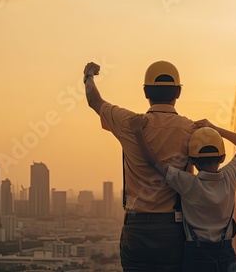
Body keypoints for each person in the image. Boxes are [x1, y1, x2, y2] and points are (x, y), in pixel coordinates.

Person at [83, 61, 195, 271]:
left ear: (146, 92)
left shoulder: (129, 123)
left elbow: (94, 100)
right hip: (172, 228)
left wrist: (89, 75)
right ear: (178, 92)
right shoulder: (191, 129)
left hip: (136, 227)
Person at [130, 116, 236, 272]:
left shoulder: (187, 183)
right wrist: (216, 129)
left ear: (192, 162)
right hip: (226, 254)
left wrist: (137, 131)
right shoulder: (230, 176)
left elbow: (153, 162)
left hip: (197, 255)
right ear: (222, 157)